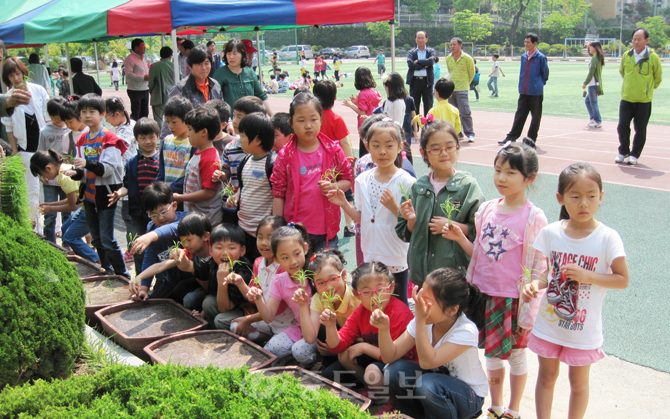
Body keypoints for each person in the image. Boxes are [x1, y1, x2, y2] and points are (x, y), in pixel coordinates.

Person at [444, 139, 547, 419]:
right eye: (498, 170)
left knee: (515, 355)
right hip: (483, 294)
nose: (501, 177)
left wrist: (532, 289)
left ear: (529, 178)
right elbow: (480, 252)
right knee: (491, 354)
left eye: (511, 172)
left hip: (512, 299)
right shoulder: (488, 209)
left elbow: (540, 266)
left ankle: (514, 408)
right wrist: (462, 238)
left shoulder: (534, 217)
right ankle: (496, 405)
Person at [521, 163, 630, 419]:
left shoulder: (607, 238)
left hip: (583, 329)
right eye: (575, 196)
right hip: (550, 323)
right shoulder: (551, 233)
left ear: (601, 197)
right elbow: (549, 273)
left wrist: (588, 276)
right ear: (560, 198)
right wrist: (535, 285)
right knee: (546, 377)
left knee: (578, 383)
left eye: (592, 196)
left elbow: (623, 279)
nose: (584, 203)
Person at [379, 268, 488, 419]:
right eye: (420, 296)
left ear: (451, 310)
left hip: (468, 397)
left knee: (428, 384)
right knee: (394, 371)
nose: (419, 303)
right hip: (437, 387)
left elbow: (427, 362)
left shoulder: (466, 330)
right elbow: (389, 356)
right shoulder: (424, 320)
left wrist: (421, 320)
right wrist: (383, 329)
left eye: (427, 301)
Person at [328, 119, 415, 306]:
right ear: (367, 146)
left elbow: (411, 225)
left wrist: (394, 208)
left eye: (389, 145)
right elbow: (362, 219)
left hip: (394, 255)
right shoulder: (362, 180)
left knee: (398, 305)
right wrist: (344, 203)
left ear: (400, 147)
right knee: (373, 303)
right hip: (370, 254)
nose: (382, 151)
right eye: (376, 145)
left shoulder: (407, 182)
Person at [397, 120, 484, 288]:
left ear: (457, 147)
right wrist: (411, 220)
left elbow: (480, 230)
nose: (444, 153)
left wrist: (453, 226)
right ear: (424, 152)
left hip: (454, 276)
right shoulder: (418, 187)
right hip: (423, 276)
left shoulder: (467, 186)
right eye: (436, 149)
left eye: (449, 147)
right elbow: (405, 233)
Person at [321, 262, 416, 401]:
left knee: (372, 372)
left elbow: (393, 356)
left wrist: (364, 347)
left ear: (391, 288)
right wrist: (330, 327)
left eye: (380, 289)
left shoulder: (400, 313)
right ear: (356, 294)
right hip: (377, 357)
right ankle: (371, 389)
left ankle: (388, 399)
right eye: (366, 292)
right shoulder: (361, 312)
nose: (375, 296)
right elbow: (337, 346)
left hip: (400, 363)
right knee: (342, 357)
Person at [270, 93, 352, 252]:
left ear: (321, 120)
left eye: (313, 119)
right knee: (298, 275)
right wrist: (278, 228)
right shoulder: (285, 155)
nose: (308, 125)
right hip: (295, 232)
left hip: (326, 232)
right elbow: (278, 193)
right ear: (291, 123)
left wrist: (333, 186)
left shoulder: (333, 150)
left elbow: (347, 180)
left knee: (326, 274)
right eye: (301, 120)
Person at [69, 94, 129, 278]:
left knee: (107, 238)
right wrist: (75, 173)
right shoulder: (81, 139)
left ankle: (122, 273)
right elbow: (84, 171)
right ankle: (106, 268)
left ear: (102, 114)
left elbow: (108, 170)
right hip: (88, 195)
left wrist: (86, 164)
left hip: (106, 194)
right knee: (95, 238)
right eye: (83, 112)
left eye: (92, 111)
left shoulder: (110, 138)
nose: (87, 115)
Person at [246, 223, 316, 361]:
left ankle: (313, 360)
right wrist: (258, 298)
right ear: (276, 259)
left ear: (305, 248)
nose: (293, 261)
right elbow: (269, 317)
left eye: (297, 254)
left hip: (321, 329)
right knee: (271, 349)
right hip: (300, 328)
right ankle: (290, 359)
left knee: (300, 351)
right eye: (285, 257)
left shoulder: (315, 273)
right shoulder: (279, 281)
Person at [1, 57, 50, 233]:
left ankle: (55, 226)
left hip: (45, 149)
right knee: (32, 192)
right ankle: (35, 229)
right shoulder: (7, 98)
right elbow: (10, 130)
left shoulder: (38, 91)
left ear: (24, 73)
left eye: (18, 73)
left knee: (52, 188)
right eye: (12, 75)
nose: (16, 77)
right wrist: (15, 155)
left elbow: (48, 118)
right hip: (26, 151)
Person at [107, 118, 160, 275]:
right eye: (143, 138)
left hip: (157, 212)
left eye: (151, 137)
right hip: (137, 212)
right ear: (136, 139)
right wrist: (119, 193)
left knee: (158, 246)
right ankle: (140, 279)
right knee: (138, 246)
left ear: (157, 136)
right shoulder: (132, 162)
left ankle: (159, 279)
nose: (148, 141)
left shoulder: (161, 160)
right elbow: (127, 185)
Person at [291, 249, 360, 368]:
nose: (328, 287)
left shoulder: (357, 298)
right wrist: (302, 305)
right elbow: (310, 338)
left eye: (333, 279)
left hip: (360, 347)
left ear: (344, 275)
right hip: (339, 344)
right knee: (324, 326)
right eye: (321, 283)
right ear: (314, 285)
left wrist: (336, 350)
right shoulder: (319, 298)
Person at [229, 216, 292, 341]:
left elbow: (277, 309)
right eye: (260, 237)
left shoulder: (285, 268)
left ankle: (271, 342)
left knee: (274, 349)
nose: (264, 242)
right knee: (235, 326)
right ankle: (267, 338)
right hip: (266, 320)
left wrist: (248, 319)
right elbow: (253, 298)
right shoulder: (258, 262)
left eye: (270, 237)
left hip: (285, 325)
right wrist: (240, 282)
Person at [133, 212, 212, 310]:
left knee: (197, 301)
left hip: (220, 293)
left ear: (205, 236)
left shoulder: (216, 251)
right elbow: (162, 265)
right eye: (182, 241)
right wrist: (140, 276)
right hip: (207, 290)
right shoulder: (187, 252)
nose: (185, 244)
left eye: (189, 240)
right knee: (181, 290)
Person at [127, 182, 187, 300]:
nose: (160, 217)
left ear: (174, 206)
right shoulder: (152, 227)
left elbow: (174, 228)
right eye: (153, 214)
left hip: (186, 280)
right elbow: (150, 257)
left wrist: (151, 236)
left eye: (163, 211)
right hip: (164, 280)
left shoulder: (186, 220)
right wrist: (144, 288)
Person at [312, 80, 356, 237]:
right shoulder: (336, 119)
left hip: (315, 163)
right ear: (335, 97)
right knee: (345, 194)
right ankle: (349, 225)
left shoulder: (313, 119)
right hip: (335, 165)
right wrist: (349, 161)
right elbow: (345, 143)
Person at [230, 113, 276, 262]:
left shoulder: (271, 164)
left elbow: (277, 197)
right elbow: (243, 188)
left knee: (260, 269)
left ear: (257, 139)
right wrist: (235, 197)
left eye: (243, 136)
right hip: (242, 228)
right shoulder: (245, 161)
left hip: (261, 235)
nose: (239, 139)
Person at [615, 28, 662, 166]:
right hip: (627, 98)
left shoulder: (653, 57)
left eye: (639, 39)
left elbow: (657, 78)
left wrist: (646, 89)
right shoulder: (626, 55)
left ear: (646, 40)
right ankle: (623, 151)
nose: (635, 42)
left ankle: (635, 154)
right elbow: (622, 72)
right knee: (622, 125)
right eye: (634, 39)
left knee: (640, 129)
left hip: (643, 101)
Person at [160, 46, 223, 139]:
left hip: (213, 138)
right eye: (199, 64)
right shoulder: (180, 89)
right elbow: (169, 118)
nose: (204, 68)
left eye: (207, 63)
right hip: (190, 141)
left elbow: (222, 109)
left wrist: (228, 123)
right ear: (190, 65)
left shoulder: (215, 85)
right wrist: (163, 144)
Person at [197, 224, 252, 329]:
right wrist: (201, 315)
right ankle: (212, 331)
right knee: (208, 302)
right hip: (228, 304)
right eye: (219, 247)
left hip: (245, 311)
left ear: (242, 251)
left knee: (220, 320)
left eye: (231, 248)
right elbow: (192, 267)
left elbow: (223, 309)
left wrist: (222, 280)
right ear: (211, 250)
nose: (225, 253)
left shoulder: (243, 271)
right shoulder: (213, 263)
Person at [174, 107, 222, 226]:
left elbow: (208, 192)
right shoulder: (199, 153)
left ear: (204, 132)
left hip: (207, 220)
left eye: (190, 129)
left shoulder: (209, 158)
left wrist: (181, 197)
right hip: (197, 218)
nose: (187, 133)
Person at [499, 33, 549, 145]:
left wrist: (538, 84)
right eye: (525, 42)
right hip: (524, 91)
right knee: (520, 115)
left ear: (534, 43)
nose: (526, 44)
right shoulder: (523, 56)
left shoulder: (540, 57)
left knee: (535, 117)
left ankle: (531, 140)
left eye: (528, 42)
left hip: (536, 92)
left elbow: (545, 74)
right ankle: (511, 137)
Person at [29, 149, 82, 251]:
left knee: (70, 237)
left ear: (48, 168)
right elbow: (70, 200)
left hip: (88, 208)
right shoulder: (64, 170)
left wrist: (51, 209)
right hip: (84, 207)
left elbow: (73, 206)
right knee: (65, 229)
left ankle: (95, 260)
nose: (44, 178)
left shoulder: (65, 178)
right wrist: (50, 204)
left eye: (42, 174)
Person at [37, 97, 72, 243]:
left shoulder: (70, 130)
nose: (58, 119)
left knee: (67, 212)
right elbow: (40, 153)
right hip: (49, 180)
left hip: (66, 178)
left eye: (60, 116)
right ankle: (50, 244)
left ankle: (67, 243)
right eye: (54, 116)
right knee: (49, 214)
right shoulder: (45, 131)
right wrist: (40, 173)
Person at [213, 39, 273, 115]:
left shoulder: (250, 72)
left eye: (235, 54)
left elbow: (261, 96)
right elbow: (215, 101)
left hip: (250, 120)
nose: (231, 57)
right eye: (228, 53)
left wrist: (272, 116)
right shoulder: (220, 74)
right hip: (231, 122)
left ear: (242, 54)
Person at [157, 96, 194, 201]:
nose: (170, 126)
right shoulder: (166, 141)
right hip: (166, 195)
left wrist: (171, 189)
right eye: (167, 121)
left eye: (174, 122)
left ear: (186, 119)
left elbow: (190, 174)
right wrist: (158, 188)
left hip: (183, 196)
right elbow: (161, 171)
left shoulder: (193, 144)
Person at [343, 67, 382, 156]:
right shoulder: (374, 91)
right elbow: (369, 107)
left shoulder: (363, 93)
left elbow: (362, 112)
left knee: (364, 152)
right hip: (374, 121)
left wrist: (350, 105)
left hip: (365, 124)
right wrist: (356, 102)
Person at [446, 37, 476, 142]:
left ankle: (470, 133)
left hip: (462, 88)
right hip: (451, 89)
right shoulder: (448, 58)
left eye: (454, 44)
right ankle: (457, 133)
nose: (452, 47)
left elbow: (472, 73)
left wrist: (465, 83)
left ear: (460, 45)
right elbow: (450, 71)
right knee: (453, 113)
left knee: (465, 111)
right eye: (451, 45)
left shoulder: (467, 58)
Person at [406, 31, 437, 117]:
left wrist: (418, 61)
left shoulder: (430, 51)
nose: (420, 40)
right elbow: (410, 65)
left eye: (422, 38)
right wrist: (424, 65)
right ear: (415, 40)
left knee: (428, 105)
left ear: (426, 39)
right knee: (414, 106)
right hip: (415, 82)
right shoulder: (412, 52)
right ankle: (415, 128)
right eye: (418, 38)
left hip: (427, 82)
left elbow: (431, 61)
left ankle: (427, 128)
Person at [124, 38, 150, 120]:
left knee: (145, 113)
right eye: (143, 46)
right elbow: (129, 74)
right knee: (136, 113)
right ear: (136, 48)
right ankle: (134, 130)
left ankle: (144, 130)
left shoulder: (143, 58)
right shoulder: (130, 59)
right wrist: (143, 77)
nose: (145, 47)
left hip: (145, 89)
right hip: (135, 90)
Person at [149, 46, 175, 126]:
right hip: (172, 95)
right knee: (172, 118)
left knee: (158, 119)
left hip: (158, 96)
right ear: (170, 55)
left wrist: (152, 92)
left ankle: (160, 136)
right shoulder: (175, 66)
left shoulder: (154, 66)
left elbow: (151, 82)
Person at [582, 42, 604, 129]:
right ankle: (593, 118)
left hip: (593, 84)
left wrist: (585, 83)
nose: (589, 49)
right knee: (588, 101)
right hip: (594, 83)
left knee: (593, 102)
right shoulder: (596, 57)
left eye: (590, 47)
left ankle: (598, 121)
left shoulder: (594, 58)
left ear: (594, 48)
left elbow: (591, 73)